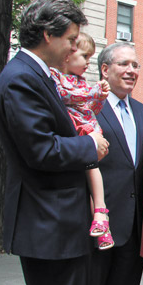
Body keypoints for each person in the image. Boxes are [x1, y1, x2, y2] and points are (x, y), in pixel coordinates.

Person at [0, 0, 108, 285]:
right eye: (72, 39)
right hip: (49, 224)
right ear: (48, 34)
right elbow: (41, 150)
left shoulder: (33, 74)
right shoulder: (23, 78)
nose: (76, 48)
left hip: (53, 222)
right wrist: (90, 145)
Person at [76, 43, 143, 285]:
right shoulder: (87, 107)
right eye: (123, 63)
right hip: (100, 223)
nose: (132, 70)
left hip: (134, 225)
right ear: (104, 70)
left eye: (135, 65)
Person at [51, 32, 114, 250]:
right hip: (77, 134)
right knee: (88, 174)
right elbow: (68, 96)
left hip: (87, 132)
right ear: (68, 54)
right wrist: (94, 91)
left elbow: (90, 110)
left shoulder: (80, 82)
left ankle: (100, 215)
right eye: (85, 56)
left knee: (92, 169)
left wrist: (100, 98)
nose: (88, 63)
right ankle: (100, 219)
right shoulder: (57, 78)